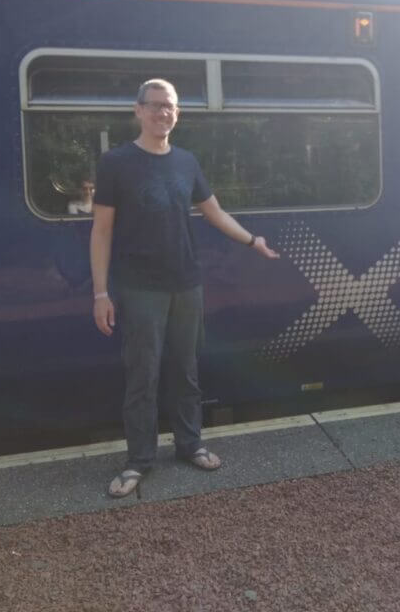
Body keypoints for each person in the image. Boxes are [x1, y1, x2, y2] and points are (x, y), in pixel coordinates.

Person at [91, 78, 279, 498]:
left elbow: (214, 213)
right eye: (155, 105)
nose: (163, 113)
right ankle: (139, 460)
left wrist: (253, 241)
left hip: (186, 284)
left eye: (170, 106)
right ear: (138, 110)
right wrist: (100, 294)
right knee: (143, 375)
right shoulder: (116, 163)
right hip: (139, 288)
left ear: (177, 114)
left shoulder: (186, 162)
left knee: (186, 370)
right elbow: (101, 231)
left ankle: (189, 443)